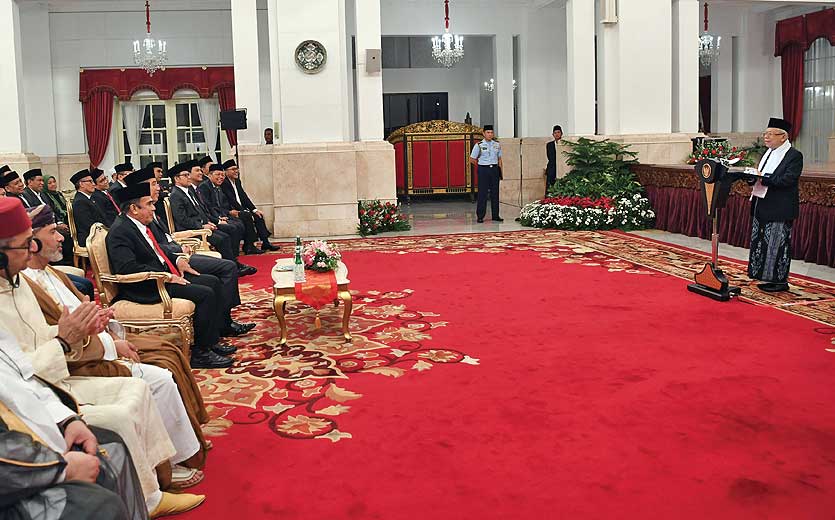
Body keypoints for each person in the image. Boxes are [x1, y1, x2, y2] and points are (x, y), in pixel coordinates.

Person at [0, 197, 204, 517]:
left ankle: (163, 475)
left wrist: (75, 331)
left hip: (51, 382)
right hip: (35, 396)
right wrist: (67, 340)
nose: (31, 250)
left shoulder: (16, 282)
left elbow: (36, 346)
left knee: (139, 387)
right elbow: (19, 374)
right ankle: (150, 498)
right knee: (122, 414)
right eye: (24, 245)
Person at [0, 329, 149, 520]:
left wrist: (68, 420)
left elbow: (26, 381)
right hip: (13, 476)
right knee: (100, 506)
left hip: (29, 442)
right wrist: (62, 468)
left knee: (111, 446)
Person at [105, 182, 236, 369]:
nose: (153, 208)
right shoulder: (120, 231)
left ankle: (211, 341)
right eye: (149, 204)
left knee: (213, 282)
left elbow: (156, 253)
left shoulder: (137, 224)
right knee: (205, 293)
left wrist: (177, 261)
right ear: (134, 208)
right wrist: (166, 276)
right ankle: (201, 353)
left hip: (162, 276)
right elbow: (128, 268)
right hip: (145, 286)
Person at [122, 166, 254, 338]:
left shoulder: (149, 211)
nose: (158, 187)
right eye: (154, 184)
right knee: (225, 270)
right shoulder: (135, 220)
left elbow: (162, 239)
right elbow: (152, 249)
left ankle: (222, 320)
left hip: (175, 255)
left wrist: (178, 250)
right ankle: (221, 323)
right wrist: (177, 254)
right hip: (166, 266)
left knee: (224, 268)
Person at [168, 161, 256, 276]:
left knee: (229, 231)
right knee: (223, 238)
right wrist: (202, 225)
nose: (189, 177)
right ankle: (232, 267)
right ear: (177, 179)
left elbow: (201, 210)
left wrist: (209, 221)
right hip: (191, 231)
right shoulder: (176, 195)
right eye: (185, 175)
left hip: (204, 225)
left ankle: (233, 264)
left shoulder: (189, 191)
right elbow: (182, 219)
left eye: (188, 174)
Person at [747, 117, 803, 293]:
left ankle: (779, 281)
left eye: (771, 134)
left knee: (777, 245)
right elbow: (762, 174)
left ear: (783, 137)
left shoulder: (794, 156)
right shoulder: (768, 153)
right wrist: (750, 177)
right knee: (761, 243)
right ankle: (765, 277)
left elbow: (788, 180)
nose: (766, 137)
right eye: (765, 134)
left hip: (780, 207)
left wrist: (764, 178)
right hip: (762, 204)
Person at [199, 164, 257, 254]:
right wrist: (219, 217)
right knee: (235, 226)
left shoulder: (218, 187)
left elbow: (223, 204)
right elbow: (209, 206)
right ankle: (232, 254)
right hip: (213, 217)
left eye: (222, 175)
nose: (221, 177)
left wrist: (225, 214)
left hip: (223, 214)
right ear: (210, 175)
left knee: (241, 222)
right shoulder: (205, 187)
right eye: (217, 175)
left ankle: (244, 248)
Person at [222, 159, 277, 252]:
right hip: (232, 211)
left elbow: (244, 197)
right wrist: (245, 211)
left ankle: (265, 242)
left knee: (258, 215)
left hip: (241, 209)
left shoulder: (237, 181)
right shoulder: (224, 183)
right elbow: (231, 200)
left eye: (237, 169)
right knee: (247, 216)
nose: (236, 171)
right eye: (233, 169)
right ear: (226, 171)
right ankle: (249, 246)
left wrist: (254, 209)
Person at [22, 169, 74, 265]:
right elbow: (36, 217)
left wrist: (59, 222)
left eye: (42, 180)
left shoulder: (43, 194)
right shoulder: (26, 195)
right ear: (30, 182)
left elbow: (53, 210)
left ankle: (69, 264)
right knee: (64, 237)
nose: (42, 183)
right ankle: (62, 264)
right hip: (43, 228)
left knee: (68, 233)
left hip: (53, 224)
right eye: (39, 181)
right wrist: (56, 226)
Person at [469, 124, 503, 223]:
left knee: (495, 193)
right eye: (488, 132)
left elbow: (500, 158)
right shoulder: (479, 145)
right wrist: (480, 165)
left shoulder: (497, 144)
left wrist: (501, 171)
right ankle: (480, 216)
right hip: (483, 169)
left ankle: (495, 215)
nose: (490, 134)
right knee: (482, 193)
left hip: (494, 170)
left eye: (491, 132)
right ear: (483, 133)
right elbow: (472, 159)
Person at [70, 169, 107, 247]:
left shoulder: (90, 198)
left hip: (99, 232)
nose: (94, 184)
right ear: (81, 184)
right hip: (89, 237)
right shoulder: (80, 202)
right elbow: (89, 225)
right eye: (90, 181)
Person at [545, 125, 563, 194]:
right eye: (555, 133)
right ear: (553, 134)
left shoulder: (564, 144)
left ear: (561, 133)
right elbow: (549, 157)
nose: (557, 134)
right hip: (552, 168)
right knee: (549, 187)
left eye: (558, 132)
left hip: (561, 168)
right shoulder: (549, 145)